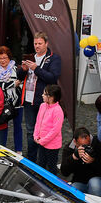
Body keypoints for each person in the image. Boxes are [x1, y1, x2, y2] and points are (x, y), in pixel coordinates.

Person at [21, 33, 62, 164]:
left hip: (44, 101)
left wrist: (36, 69)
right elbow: (20, 76)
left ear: (46, 44)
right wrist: (23, 70)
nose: (37, 46)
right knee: (30, 131)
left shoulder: (54, 58)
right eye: (35, 43)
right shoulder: (30, 57)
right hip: (28, 99)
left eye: (39, 43)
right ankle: (32, 161)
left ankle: (43, 161)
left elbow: (53, 78)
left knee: (45, 131)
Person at [60, 126, 101, 199]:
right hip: (81, 182)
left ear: (90, 140)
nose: (85, 148)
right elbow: (64, 172)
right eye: (82, 146)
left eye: (87, 145)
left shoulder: (99, 142)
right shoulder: (69, 149)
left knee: (94, 183)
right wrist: (74, 157)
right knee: (73, 189)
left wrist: (93, 161)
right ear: (75, 142)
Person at [0, 46, 24, 151]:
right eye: (0, 58)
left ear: (9, 58)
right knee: (3, 127)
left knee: (18, 127)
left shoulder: (16, 69)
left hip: (17, 103)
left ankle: (19, 150)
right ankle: (2, 149)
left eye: (5, 58)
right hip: (2, 103)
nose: (2, 61)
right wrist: (12, 84)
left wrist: (7, 84)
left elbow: (21, 83)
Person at [33, 84, 64, 171]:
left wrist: (43, 140)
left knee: (51, 167)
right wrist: (36, 135)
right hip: (41, 142)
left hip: (52, 145)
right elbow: (38, 122)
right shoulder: (42, 106)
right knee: (41, 164)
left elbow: (55, 130)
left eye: (44, 94)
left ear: (51, 97)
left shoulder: (58, 111)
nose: (42, 95)